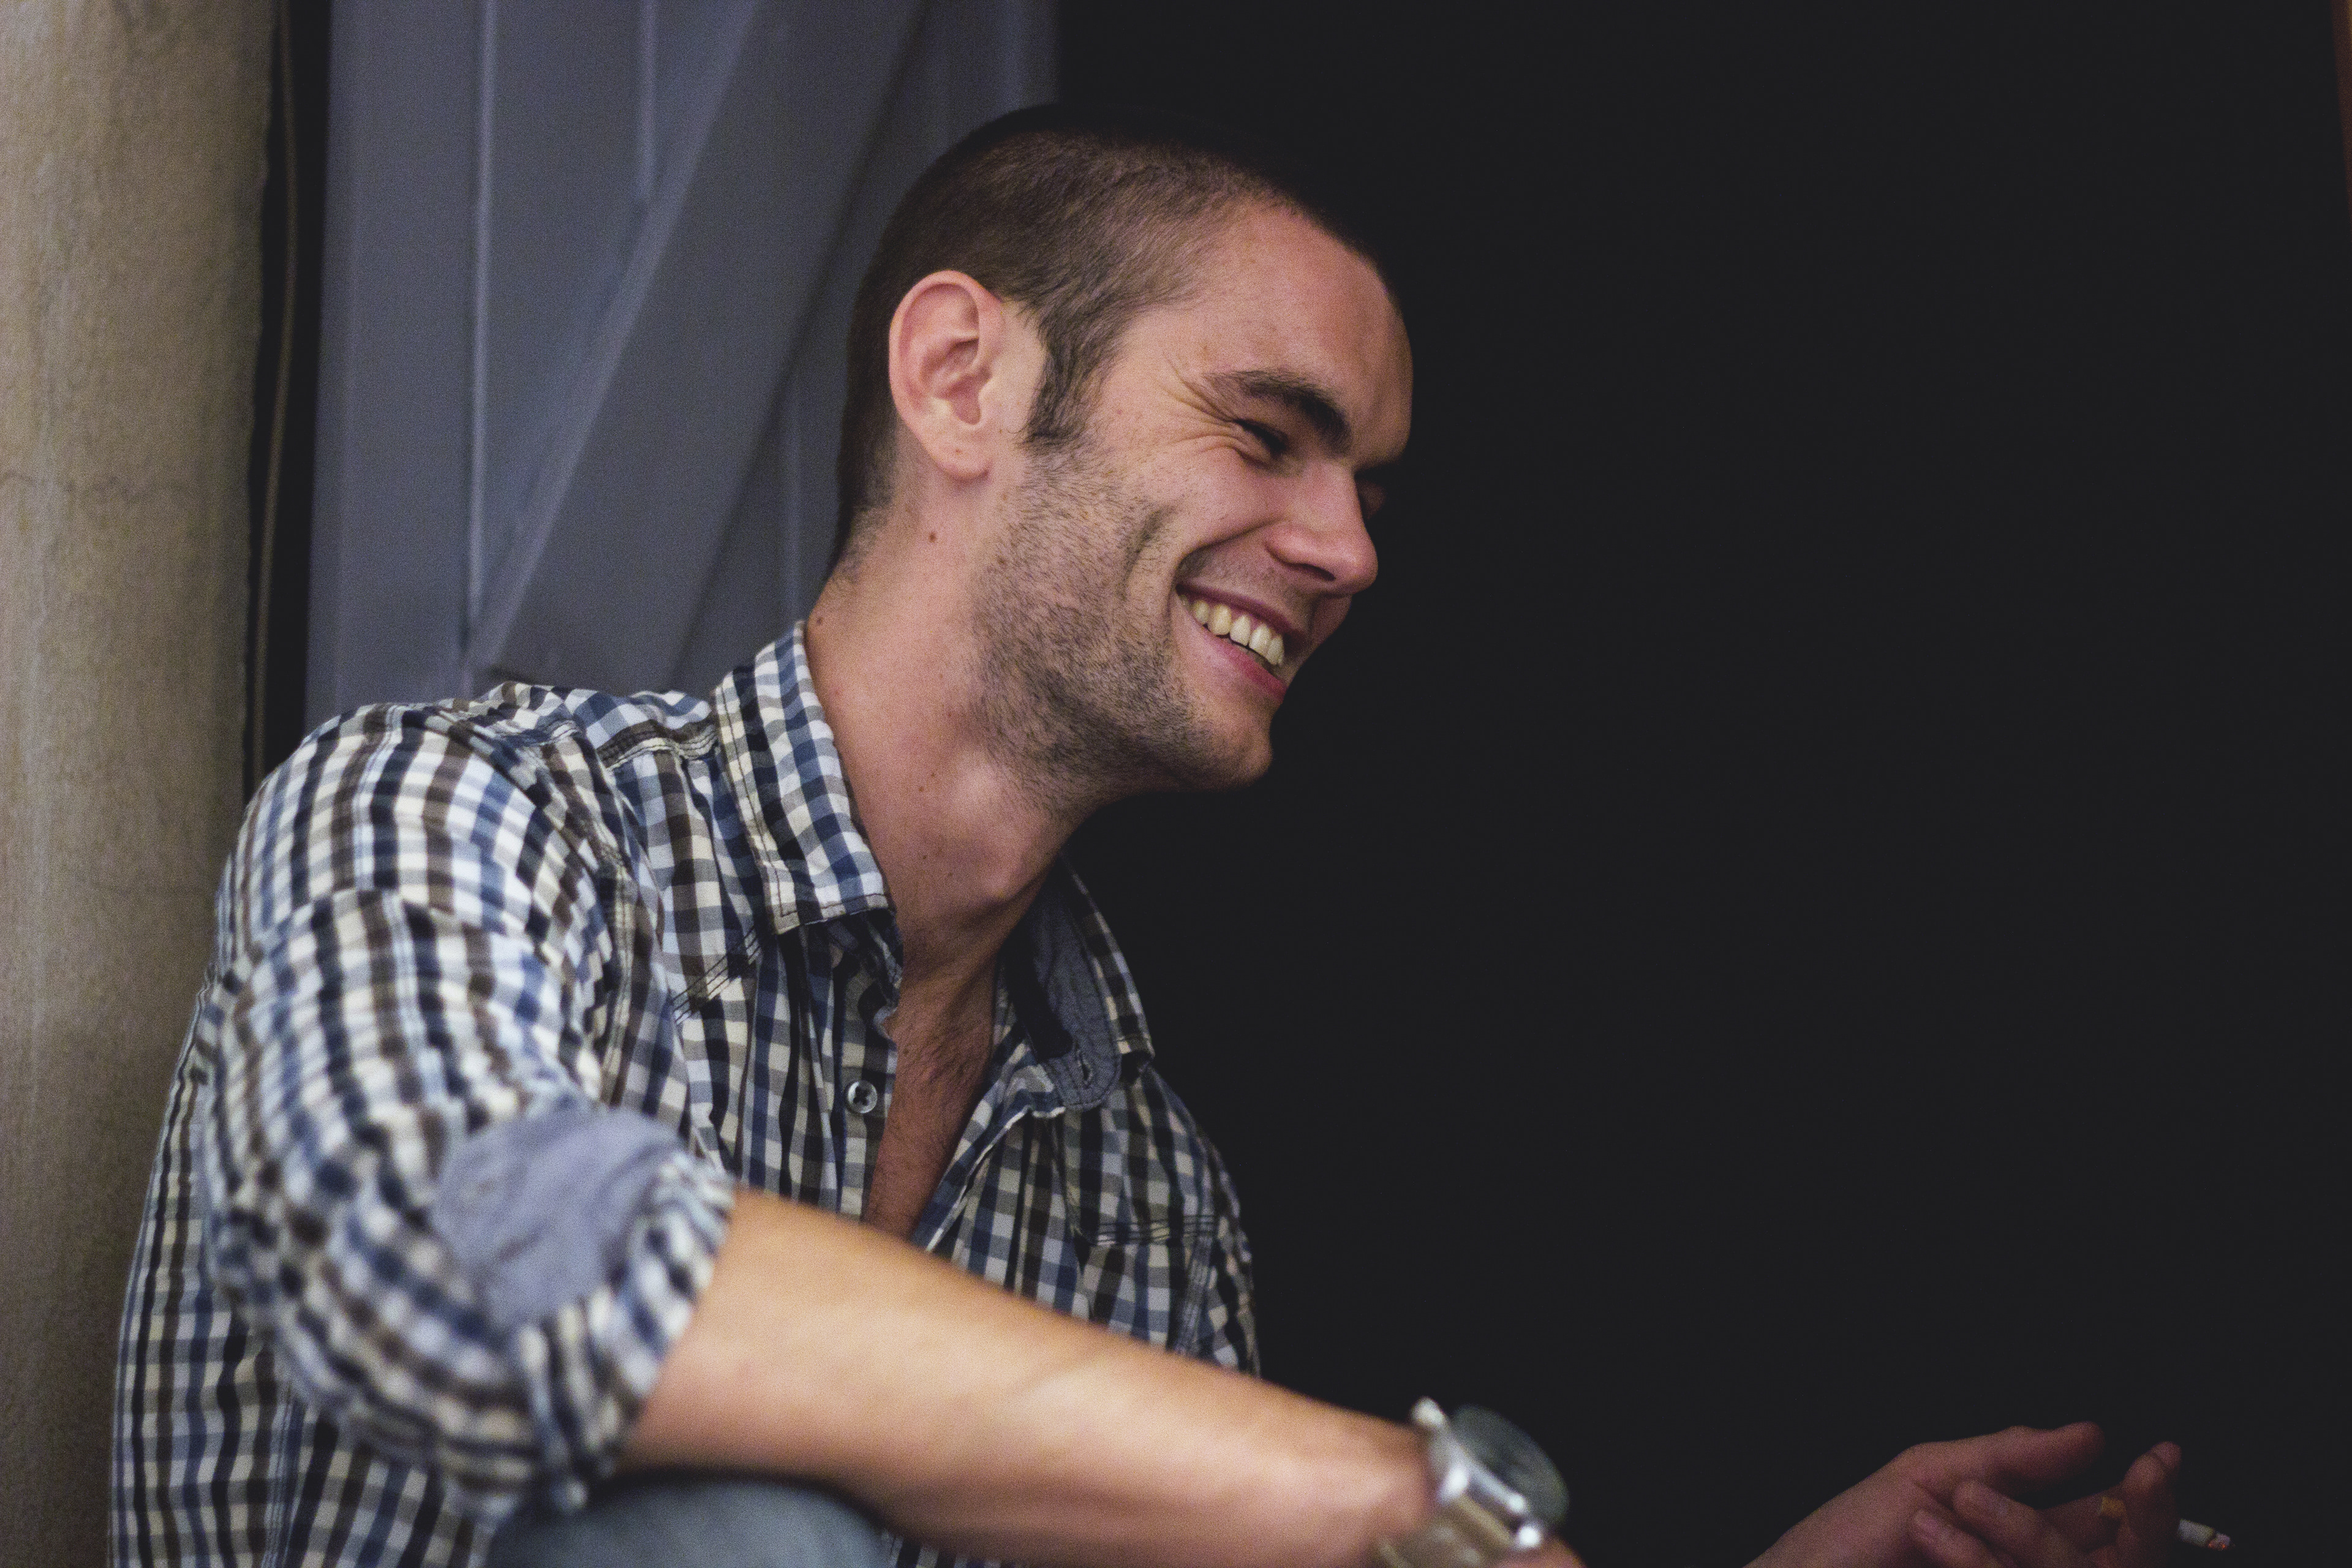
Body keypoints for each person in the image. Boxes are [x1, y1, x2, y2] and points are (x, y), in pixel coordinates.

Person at [113, 105, 2182, 1568]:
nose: (1348, 550)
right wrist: (1393, 1498)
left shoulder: (1146, 1188)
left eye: (1367, 486)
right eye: (1267, 434)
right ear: (962, 379)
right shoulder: (465, 807)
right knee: (724, 1524)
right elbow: (446, 1249)